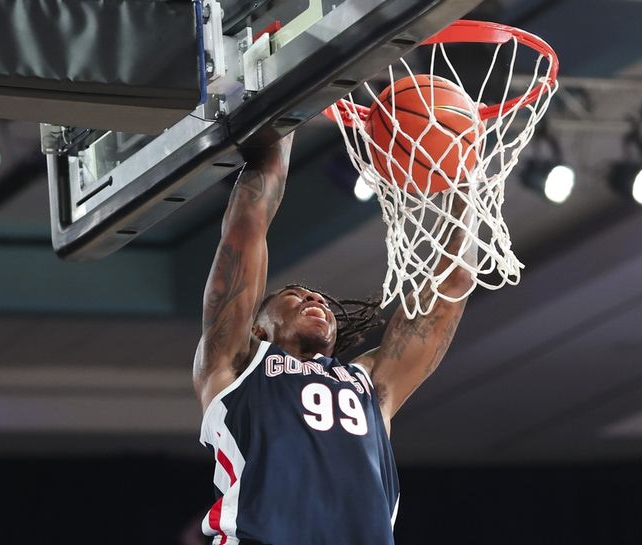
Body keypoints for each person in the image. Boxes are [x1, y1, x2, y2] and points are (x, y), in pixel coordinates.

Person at [192, 132, 473, 545]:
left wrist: (465, 179)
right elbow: (246, 229)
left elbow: (455, 284)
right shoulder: (236, 366)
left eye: (320, 299)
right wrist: (285, 121)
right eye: (296, 295)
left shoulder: (369, 382)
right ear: (257, 327)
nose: (314, 298)